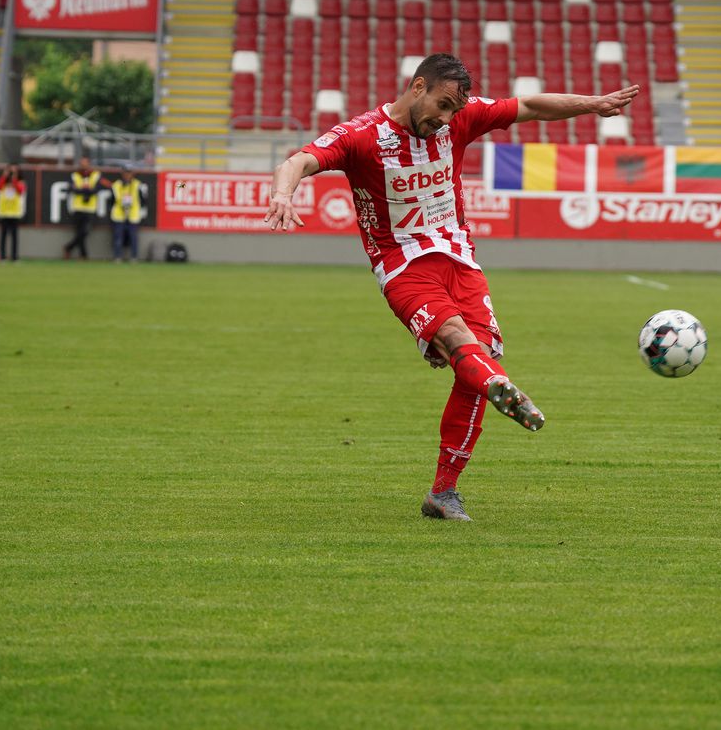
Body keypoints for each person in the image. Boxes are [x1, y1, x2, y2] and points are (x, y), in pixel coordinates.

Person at [265, 53, 639, 522]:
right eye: (442, 105)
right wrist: (283, 194)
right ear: (417, 87)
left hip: (460, 261)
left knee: (474, 362)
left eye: (454, 112)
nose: (446, 119)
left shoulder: (457, 121)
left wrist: (593, 104)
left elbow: (532, 107)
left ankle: (444, 493)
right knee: (461, 344)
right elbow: (299, 160)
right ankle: (500, 387)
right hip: (403, 266)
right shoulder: (361, 136)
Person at [63, 156, 104, 259]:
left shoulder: (95, 175)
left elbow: (97, 189)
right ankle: (83, 255)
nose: (84, 165)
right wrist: (87, 189)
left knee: (84, 232)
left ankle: (69, 247)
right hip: (77, 207)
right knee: (79, 232)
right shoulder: (75, 175)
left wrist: (82, 189)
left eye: (85, 163)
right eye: (82, 163)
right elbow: (72, 188)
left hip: (90, 208)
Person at [110, 164, 144, 262]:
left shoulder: (137, 184)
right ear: (122, 173)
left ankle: (134, 257)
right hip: (119, 215)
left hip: (133, 215)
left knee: (133, 238)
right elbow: (112, 201)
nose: (127, 175)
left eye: (129, 173)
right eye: (126, 173)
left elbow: (142, 200)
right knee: (118, 237)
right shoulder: (116, 185)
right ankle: (117, 257)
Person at [0, 164, 26, 261]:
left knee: (14, 237)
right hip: (4, 212)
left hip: (14, 213)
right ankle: (2, 256)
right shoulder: (3, 182)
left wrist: (14, 179)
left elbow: (20, 191)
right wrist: (5, 176)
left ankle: (14, 257)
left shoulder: (21, 182)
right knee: (3, 236)